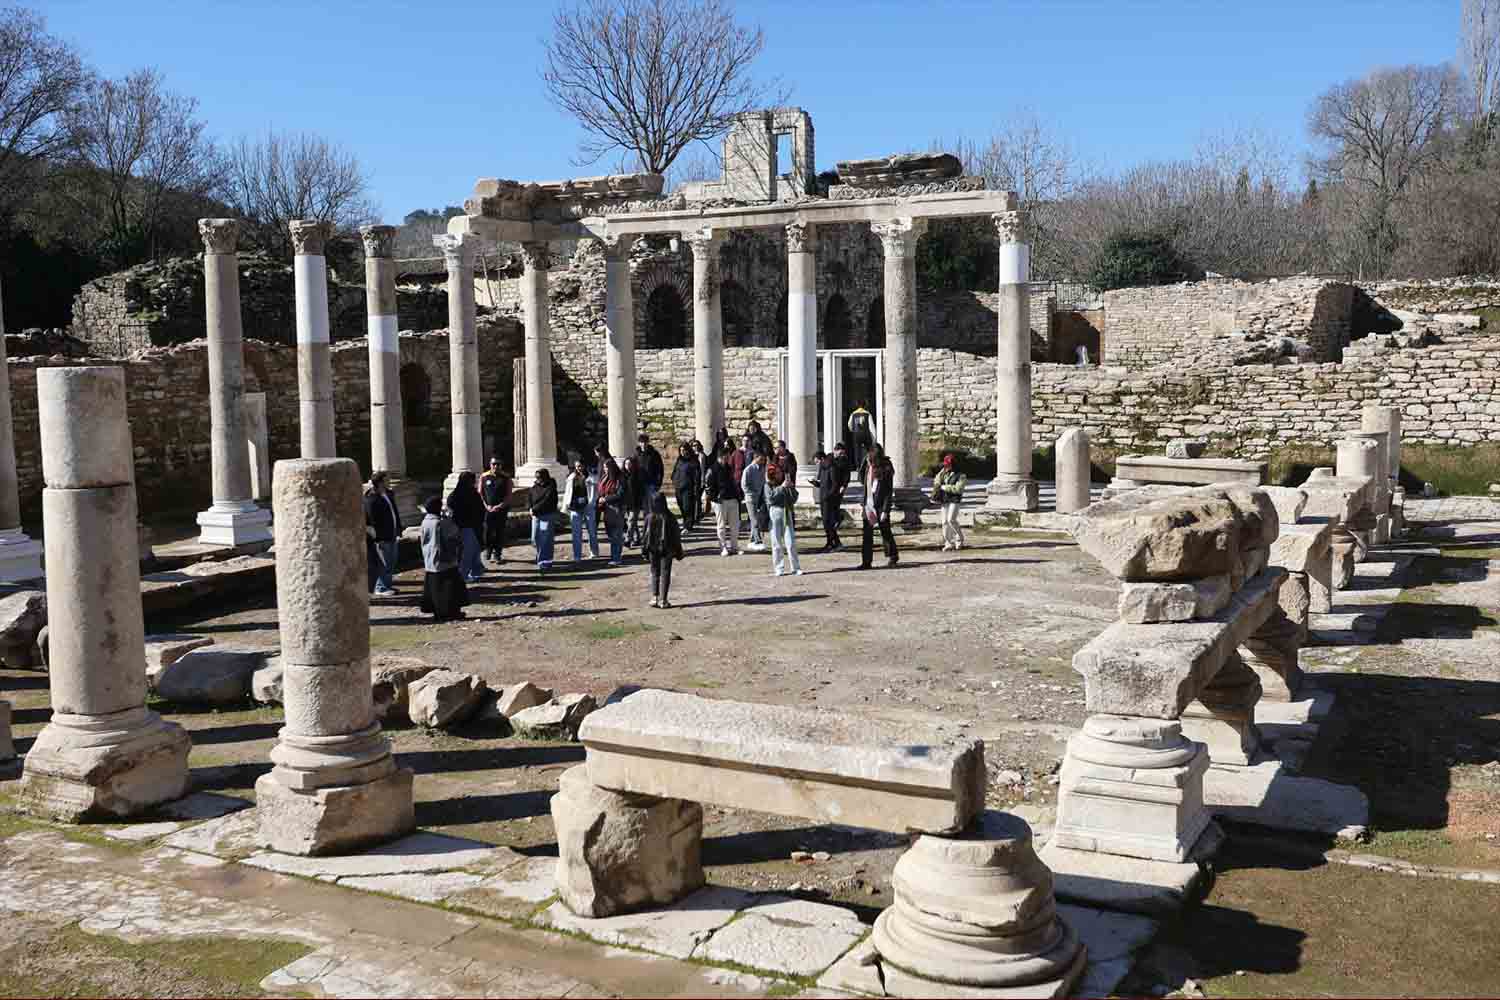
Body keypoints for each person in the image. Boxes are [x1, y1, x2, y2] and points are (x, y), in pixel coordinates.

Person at [419, 496, 468, 621]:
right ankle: (450, 612)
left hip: (430, 559)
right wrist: (449, 518)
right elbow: (454, 534)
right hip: (445, 559)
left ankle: (437, 612)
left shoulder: (425, 521)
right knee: (449, 588)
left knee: (434, 589)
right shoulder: (441, 523)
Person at [643, 492, 686, 609]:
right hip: (668, 550)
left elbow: (644, 537)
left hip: (652, 549)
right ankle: (663, 600)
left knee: (654, 573)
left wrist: (644, 551)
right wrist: (679, 551)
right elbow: (676, 536)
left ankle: (654, 597)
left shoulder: (649, 517)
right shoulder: (670, 517)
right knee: (665, 573)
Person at [859, 442, 898, 569]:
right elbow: (861, 480)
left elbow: (888, 491)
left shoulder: (886, 467)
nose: (869, 457)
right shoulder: (867, 466)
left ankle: (893, 556)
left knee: (885, 531)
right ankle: (866, 561)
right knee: (867, 534)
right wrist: (864, 464)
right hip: (868, 503)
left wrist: (886, 510)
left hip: (881, 504)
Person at [363, 470, 401, 597]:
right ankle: (381, 587)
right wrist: (377, 537)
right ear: (380, 482)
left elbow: (394, 512)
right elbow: (371, 520)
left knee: (391, 561)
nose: (389, 481)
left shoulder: (389, 494)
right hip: (382, 537)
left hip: (392, 533)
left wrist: (399, 529)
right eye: (387, 479)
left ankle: (387, 585)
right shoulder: (371, 499)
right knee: (384, 562)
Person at [764, 462, 803, 577]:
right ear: (772, 474)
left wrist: (791, 487)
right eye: (777, 473)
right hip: (775, 512)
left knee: (790, 542)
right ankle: (779, 568)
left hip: (787, 511)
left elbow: (794, 498)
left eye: (780, 473)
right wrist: (782, 488)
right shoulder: (768, 485)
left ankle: (795, 568)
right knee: (776, 542)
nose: (780, 475)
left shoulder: (785, 483)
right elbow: (770, 499)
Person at [446, 470, 485, 583]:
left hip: (472, 526)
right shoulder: (459, 495)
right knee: (467, 553)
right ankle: (463, 575)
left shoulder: (461, 494)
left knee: (475, 550)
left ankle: (476, 571)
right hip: (465, 528)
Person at [705, 448, 743, 556]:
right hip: (720, 501)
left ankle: (734, 547)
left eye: (728, 457)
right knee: (721, 526)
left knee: (735, 525)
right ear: (720, 456)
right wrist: (715, 498)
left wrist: (737, 496)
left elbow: (734, 483)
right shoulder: (712, 469)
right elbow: (708, 485)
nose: (728, 459)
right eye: (726, 457)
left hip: (732, 499)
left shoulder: (729, 468)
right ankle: (723, 547)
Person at [562, 459, 599, 561]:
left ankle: (594, 552)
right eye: (577, 466)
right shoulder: (571, 478)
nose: (579, 468)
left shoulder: (592, 477)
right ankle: (577, 555)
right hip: (575, 507)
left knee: (591, 531)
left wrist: (593, 502)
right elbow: (567, 492)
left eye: (581, 466)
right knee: (576, 533)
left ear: (584, 466)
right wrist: (565, 506)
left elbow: (597, 491)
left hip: (588, 507)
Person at [814, 449, 848, 552]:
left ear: (822, 459)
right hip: (823, 498)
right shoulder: (823, 468)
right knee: (825, 523)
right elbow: (823, 483)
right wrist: (816, 484)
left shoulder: (831, 467)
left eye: (817, 461)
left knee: (828, 522)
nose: (817, 464)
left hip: (829, 499)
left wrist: (829, 495)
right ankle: (830, 543)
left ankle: (837, 543)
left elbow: (834, 484)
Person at [479, 458, 512, 565]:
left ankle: (497, 554)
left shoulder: (506, 478)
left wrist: (499, 506)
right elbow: (480, 493)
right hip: (487, 509)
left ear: (501, 465)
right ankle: (488, 550)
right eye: (494, 464)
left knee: (499, 532)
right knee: (487, 531)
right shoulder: (484, 476)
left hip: (501, 509)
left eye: (498, 464)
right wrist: (486, 506)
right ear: (490, 464)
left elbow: (508, 495)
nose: (496, 466)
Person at [932, 453, 968, 551]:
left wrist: (944, 487)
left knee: (951, 520)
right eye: (945, 464)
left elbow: (958, 489)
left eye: (948, 464)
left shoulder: (961, 475)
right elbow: (936, 480)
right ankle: (948, 543)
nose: (946, 466)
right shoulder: (943, 472)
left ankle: (959, 539)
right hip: (945, 499)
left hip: (954, 500)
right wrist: (937, 483)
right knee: (944, 522)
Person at [597, 457, 627, 566]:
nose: (605, 470)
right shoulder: (605, 477)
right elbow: (600, 490)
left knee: (616, 534)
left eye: (606, 467)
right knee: (611, 534)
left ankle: (616, 558)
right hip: (607, 509)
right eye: (604, 467)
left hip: (617, 508)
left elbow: (620, 494)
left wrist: (606, 499)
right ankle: (615, 555)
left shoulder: (620, 478)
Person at [528, 468, 559, 570]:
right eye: (536, 477)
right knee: (535, 538)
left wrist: (534, 509)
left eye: (540, 477)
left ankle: (545, 561)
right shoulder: (534, 487)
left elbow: (547, 501)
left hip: (546, 516)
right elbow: (529, 498)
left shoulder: (550, 487)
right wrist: (529, 507)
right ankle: (540, 555)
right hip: (536, 516)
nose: (538, 480)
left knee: (545, 539)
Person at [741, 448, 769, 552]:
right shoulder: (748, 469)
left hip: (759, 497)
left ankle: (752, 540)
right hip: (750, 498)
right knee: (754, 520)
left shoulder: (761, 469)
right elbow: (744, 485)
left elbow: (763, 483)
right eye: (761, 459)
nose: (763, 461)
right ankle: (758, 541)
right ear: (756, 458)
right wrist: (752, 492)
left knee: (756, 519)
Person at [671, 442, 701, 531]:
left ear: (688, 450)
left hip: (688, 488)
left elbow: (696, 476)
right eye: (680, 450)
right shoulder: (679, 460)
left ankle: (688, 526)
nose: (682, 452)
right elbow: (675, 470)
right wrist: (673, 479)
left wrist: (696, 488)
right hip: (678, 487)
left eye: (684, 450)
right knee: (681, 507)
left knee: (687, 507)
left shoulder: (693, 461)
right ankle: (685, 523)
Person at [636, 433, 664, 512]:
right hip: (639, 483)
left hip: (652, 484)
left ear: (648, 442)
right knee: (641, 505)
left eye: (645, 442)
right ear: (639, 443)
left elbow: (660, 469)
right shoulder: (636, 455)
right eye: (641, 442)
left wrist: (658, 483)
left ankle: (650, 522)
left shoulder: (654, 454)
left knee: (651, 505)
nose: (643, 444)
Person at [622, 454, 645, 548]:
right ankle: (637, 538)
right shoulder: (622, 475)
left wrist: (640, 500)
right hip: (626, 502)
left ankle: (628, 539)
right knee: (632, 522)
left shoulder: (637, 475)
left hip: (635, 502)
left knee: (631, 520)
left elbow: (640, 489)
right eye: (626, 464)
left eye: (629, 464)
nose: (628, 466)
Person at [847, 401, 874, 471]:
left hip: (856, 434)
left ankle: (858, 466)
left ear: (857, 405)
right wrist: (874, 438)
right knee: (869, 450)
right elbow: (871, 427)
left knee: (857, 450)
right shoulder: (867, 414)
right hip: (866, 434)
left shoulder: (853, 414)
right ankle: (869, 464)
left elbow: (849, 424)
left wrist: (853, 430)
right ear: (865, 405)